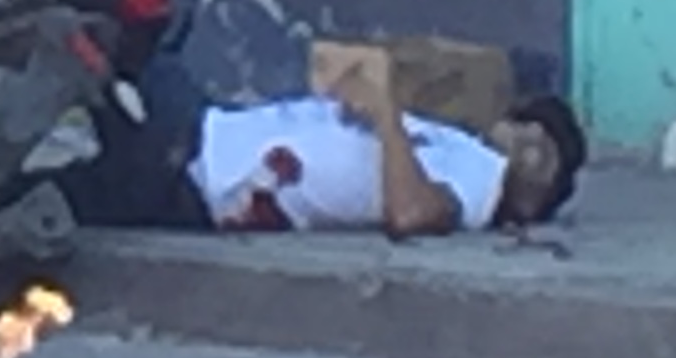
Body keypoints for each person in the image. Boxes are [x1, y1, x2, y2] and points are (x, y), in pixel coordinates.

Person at [59, 41, 586, 239]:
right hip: (208, 128)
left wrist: (385, 113)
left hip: (201, 175)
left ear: (529, 208)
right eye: (530, 128)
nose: (528, 139)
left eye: (542, 155)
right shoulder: (457, 143)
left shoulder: (480, 182)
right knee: (118, 39)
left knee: (60, 187)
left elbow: (412, 215)